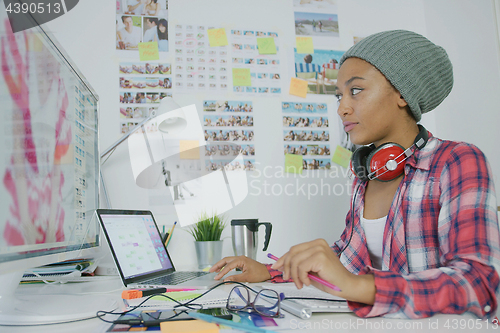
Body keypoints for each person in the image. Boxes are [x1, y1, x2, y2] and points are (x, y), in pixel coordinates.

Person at [210, 30, 500, 319]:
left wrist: (357, 285)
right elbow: (348, 255)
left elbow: (478, 283)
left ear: (402, 93)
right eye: (340, 96)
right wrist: (272, 272)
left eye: (356, 90)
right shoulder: (366, 172)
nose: (342, 108)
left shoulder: (457, 161)